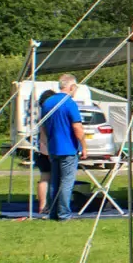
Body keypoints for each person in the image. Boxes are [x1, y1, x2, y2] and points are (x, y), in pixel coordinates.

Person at [41, 74, 86, 221]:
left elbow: (43, 127)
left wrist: (48, 143)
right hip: (68, 149)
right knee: (67, 182)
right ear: (72, 87)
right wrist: (84, 146)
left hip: (53, 148)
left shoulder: (47, 102)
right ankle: (64, 214)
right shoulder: (69, 103)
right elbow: (77, 127)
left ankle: (53, 212)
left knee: (55, 181)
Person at [34, 89, 56, 215]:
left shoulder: (42, 113)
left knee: (44, 178)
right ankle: (47, 206)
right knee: (50, 178)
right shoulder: (49, 113)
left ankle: (42, 206)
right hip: (48, 150)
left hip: (41, 149)